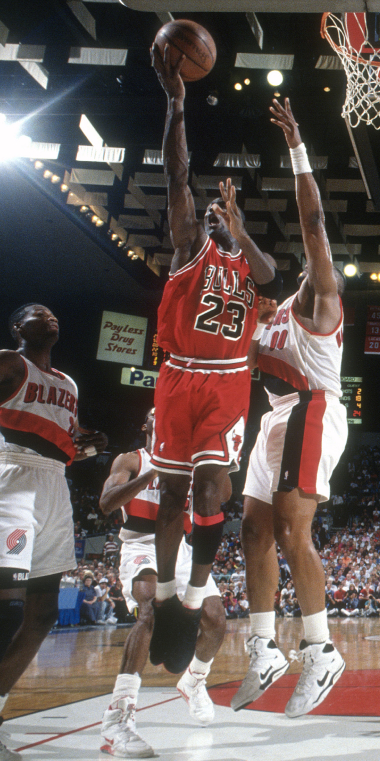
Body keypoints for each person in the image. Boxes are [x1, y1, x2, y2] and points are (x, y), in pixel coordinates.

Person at [146, 39, 281, 677]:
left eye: (217, 214)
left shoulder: (247, 265)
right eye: (206, 214)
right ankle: (171, 599)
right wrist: (176, 102)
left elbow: (272, 271)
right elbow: (177, 175)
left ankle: (196, 593)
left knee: (213, 486)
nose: (208, 216)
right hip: (177, 377)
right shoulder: (188, 250)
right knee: (172, 496)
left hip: (227, 382)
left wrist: (240, 222)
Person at [0, 303, 107, 761]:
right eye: (36, 312)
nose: (49, 316)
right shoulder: (8, 362)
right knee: (3, 612)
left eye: (52, 313)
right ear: (17, 327)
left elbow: (63, 446)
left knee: (43, 613)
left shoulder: (67, 383)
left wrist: (88, 446)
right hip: (12, 481)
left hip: (54, 486)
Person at [231, 98, 348, 717]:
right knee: (252, 529)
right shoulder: (267, 320)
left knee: (290, 529)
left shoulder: (323, 305)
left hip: (314, 409)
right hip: (274, 418)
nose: (312, 267)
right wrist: (238, 232)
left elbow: (312, 223)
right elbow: (255, 279)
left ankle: (321, 650)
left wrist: (298, 149)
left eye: (316, 262)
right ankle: (262, 645)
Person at [97, 409, 227, 757]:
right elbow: (107, 503)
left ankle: (194, 681)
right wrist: (152, 474)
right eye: (158, 414)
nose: (168, 417)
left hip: (180, 549)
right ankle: (118, 718)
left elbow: (224, 494)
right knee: (149, 612)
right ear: (146, 424)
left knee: (216, 619)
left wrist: (219, 455)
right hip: (141, 544)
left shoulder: (190, 464)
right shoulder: (131, 459)